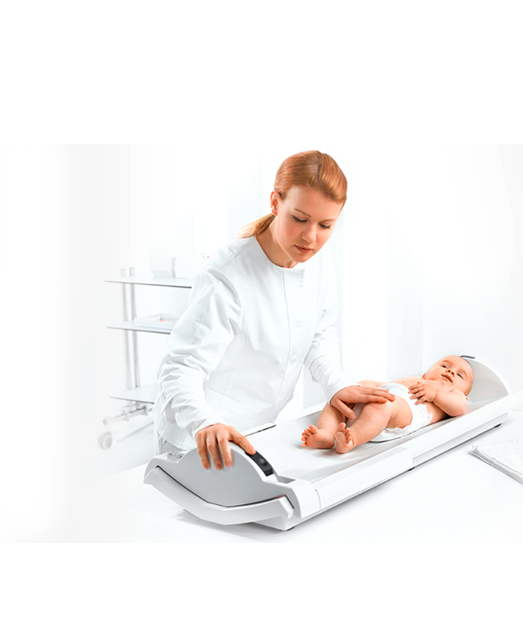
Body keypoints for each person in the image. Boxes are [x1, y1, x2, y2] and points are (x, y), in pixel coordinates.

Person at [154, 150, 397, 470]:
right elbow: (181, 368)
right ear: (274, 202)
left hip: (258, 432)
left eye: (326, 225)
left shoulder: (318, 259)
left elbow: (319, 334)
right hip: (198, 436)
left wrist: (336, 384)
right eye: (300, 219)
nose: (311, 237)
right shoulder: (226, 274)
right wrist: (204, 423)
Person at [301, 355, 473, 453]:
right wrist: (364, 386)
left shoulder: (452, 393)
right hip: (381, 399)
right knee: (339, 396)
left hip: (400, 413)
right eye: (444, 365)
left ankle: (352, 438)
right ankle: (327, 433)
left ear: (464, 392)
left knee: (384, 404)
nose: (450, 371)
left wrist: (435, 394)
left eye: (460, 375)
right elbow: (383, 384)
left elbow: (460, 407)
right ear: (425, 375)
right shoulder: (415, 379)